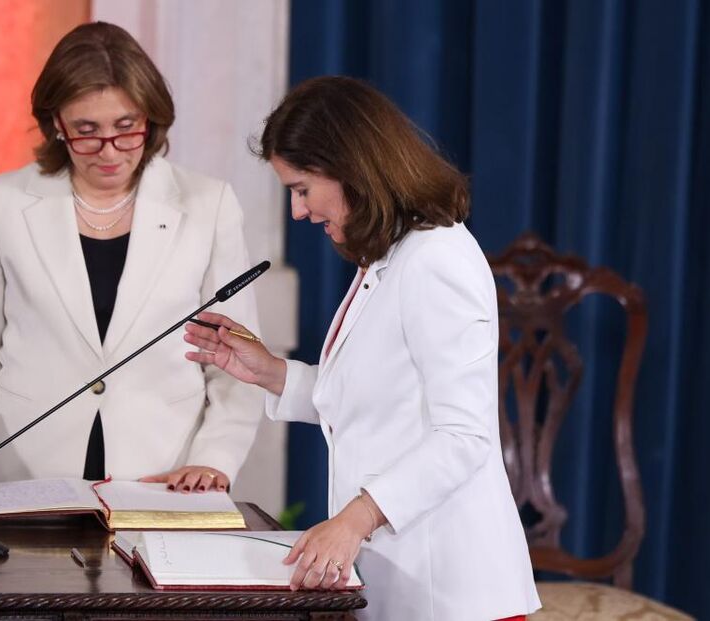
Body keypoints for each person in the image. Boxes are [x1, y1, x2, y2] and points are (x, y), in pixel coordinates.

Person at [183, 76, 541, 620]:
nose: (299, 211)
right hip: (401, 579)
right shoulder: (388, 256)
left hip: (453, 591)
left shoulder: (435, 258)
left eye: (301, 188)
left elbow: (463, 435)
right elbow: (379, 399)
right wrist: (272, 373)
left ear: (351, 167)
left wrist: (354, 519)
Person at [0, 22, 263, 505]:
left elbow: (235, 359)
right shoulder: (1, 203)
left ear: (152, 118)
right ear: (56, 125)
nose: (109, 151)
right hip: (22, 472)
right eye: (87, 132)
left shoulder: (209, 205)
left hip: (165, 475)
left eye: (126, 129)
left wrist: (215, 459)